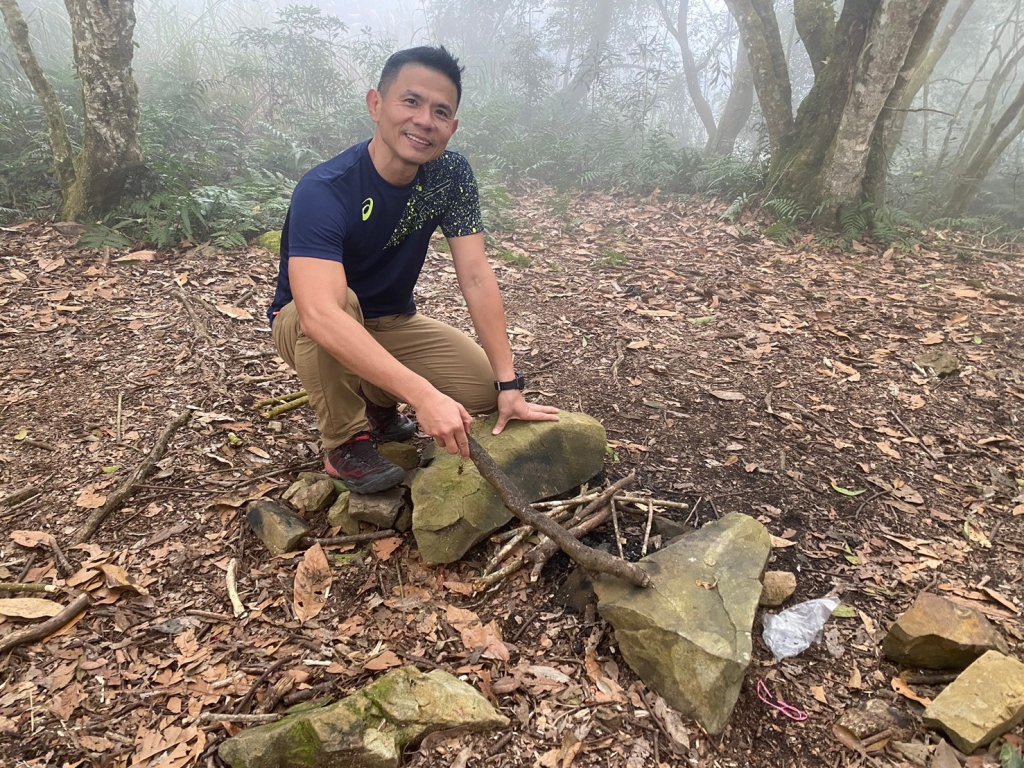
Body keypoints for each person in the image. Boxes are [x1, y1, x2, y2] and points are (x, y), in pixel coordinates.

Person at [268, 45, 560, 494]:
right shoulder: (327, 188)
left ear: (453, 127)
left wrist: (510, 383)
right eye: (411, 101)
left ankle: (376, 398)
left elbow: (477, 275)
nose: (425, 120)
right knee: (336, 306)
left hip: (392, 319)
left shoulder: (449, 175)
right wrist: (423, 396)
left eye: (441, 111)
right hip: (307, 324)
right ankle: (346, 440)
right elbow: (319, 315)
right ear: (376, 104)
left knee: (482, 393)